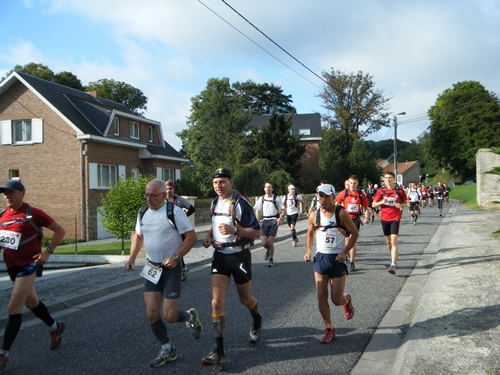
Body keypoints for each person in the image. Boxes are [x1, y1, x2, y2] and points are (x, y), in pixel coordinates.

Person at [125, 179, 202, 368]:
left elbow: (191, 237)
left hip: (170, 268)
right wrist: (132, 257)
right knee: (151, 312)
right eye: (146, 195)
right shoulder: (142, 212)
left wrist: (176, 257)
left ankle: (190, 317)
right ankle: (168, 348)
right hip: (152, 267)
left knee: (169, 315)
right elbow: (139, 236)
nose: (149, 199)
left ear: (163, 195)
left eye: (153, 195)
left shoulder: (173, 212)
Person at [0, 180, 66, 371]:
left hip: (29, 265)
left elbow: (59, 231)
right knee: (31, 303)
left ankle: (3, 354)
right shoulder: (3, 215)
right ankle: (55, 326)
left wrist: (47, 252)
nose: (7, 196)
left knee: (14, 306)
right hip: (11, 265)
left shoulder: (32, 213)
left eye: (11, 192)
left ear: (22, 193)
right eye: (5, 193)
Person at [201, 168, 262, 366]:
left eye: (222, 182)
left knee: (245, 299)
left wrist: (234, 230)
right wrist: (210, 235)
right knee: (215, 303)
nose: (218, 186)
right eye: (215, 183)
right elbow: (217, 221)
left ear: (231, 183)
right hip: (220, 256)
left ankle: (256, 316)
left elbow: (257, 232)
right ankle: (218, 351)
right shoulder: (214, 202)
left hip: (239, 256)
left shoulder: (240, 203)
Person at [304, 184, 358, 344]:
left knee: (336, 300)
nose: (323, 199)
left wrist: (344, 252)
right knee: (321, 295)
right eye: (320, 196)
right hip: (321, 259)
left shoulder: (341, 214)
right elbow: (309, 233)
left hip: (337, 259)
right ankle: (329, 329)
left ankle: (346, 300)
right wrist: (308, 251)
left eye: (326, 196)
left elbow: (354, 233)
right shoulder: (314, 215)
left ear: (334, 197)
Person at [372, 172, 408, 275]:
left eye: (390, 178)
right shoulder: (381, 191)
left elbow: (406, 203)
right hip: (384, 218)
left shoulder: (399, 190)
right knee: (388, 242)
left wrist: (400, 205)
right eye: (386, 178)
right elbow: (373, 204)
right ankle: (393, 256)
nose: (388, 180)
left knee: (393, 242)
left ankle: (393, 264)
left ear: (394, 179)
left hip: (395, 218)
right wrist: (382, 202)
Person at [335, 175, 370, 271]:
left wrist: (367, 217)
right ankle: (346, 256)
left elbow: (366, 207)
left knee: (352, 240)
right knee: (346, 241)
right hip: (345, 219)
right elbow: (336, 204)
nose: (352, 185)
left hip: (355, 219)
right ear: (348, 183)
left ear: (357, 184)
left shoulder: (361, 194)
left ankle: (352, 261)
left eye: (354, 183)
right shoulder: (344, 193)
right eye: (350, 183)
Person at [165, 180, 195, 281]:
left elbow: (191, 209)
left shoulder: (178, 200)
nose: (168, 191)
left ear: (174, 190)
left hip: (179, 229)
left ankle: (182, 269)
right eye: (167, 189)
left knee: (178, 248)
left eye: (170, 189)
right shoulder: (162, 200)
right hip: (167, 229)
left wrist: (183, 217)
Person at [253, 181, 285, 267]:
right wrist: (257, 220)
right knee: (263, 243)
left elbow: (283, 210)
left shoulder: (276, 198)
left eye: (269, 187)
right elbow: (256, 209)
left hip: (273, 221)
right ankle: (268, 250)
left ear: (272, 189)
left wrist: (280, 218)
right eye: (266, 187)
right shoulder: (261, 199)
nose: (267, 188)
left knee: (270, 242)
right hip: (265, 221)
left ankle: (271, 259)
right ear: (264, 189)